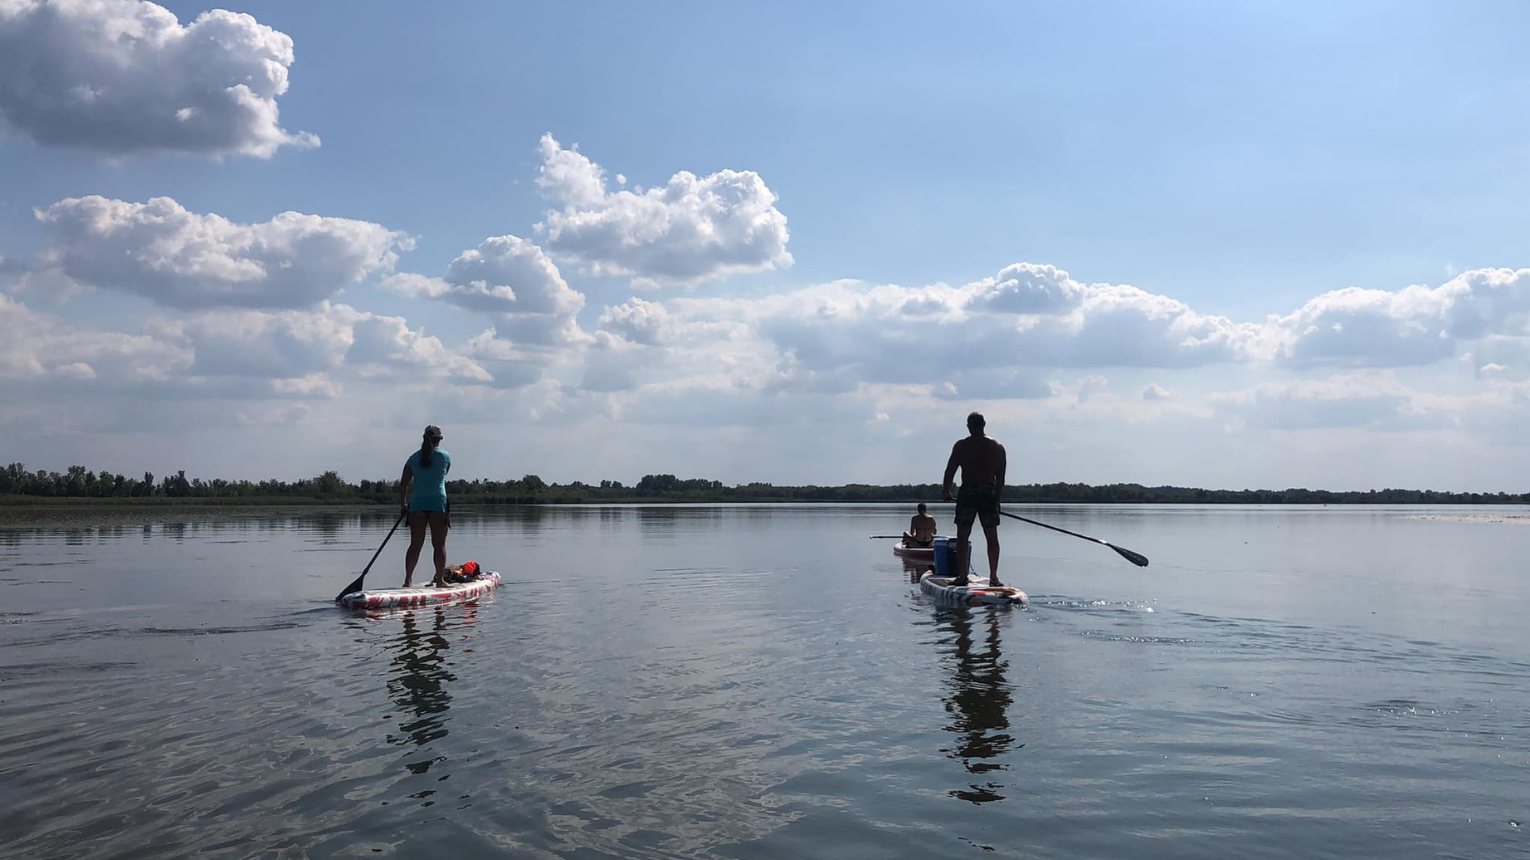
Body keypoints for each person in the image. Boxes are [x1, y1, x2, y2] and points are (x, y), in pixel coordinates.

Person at [941, 412, 1006, 587]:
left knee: (962, 535)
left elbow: (950, 471)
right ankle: (994, 577)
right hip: (989, 492)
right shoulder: (998, 447)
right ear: (984, 424)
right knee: (991, 535)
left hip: (968, 490)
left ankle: (963, 576)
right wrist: (997, 499)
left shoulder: (962, 446)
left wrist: (946, 491)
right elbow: (1000, 478)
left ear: (969, 426)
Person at [400, 425, 451, 587]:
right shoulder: (445, 457)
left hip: (417, 504)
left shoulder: (412, 459)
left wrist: (403, 503)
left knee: (415, 544)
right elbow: (444, 474)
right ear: (438, 440)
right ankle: (440, 581)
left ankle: (408, 580)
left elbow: (403, 484)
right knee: (439, 544)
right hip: (438, 503)